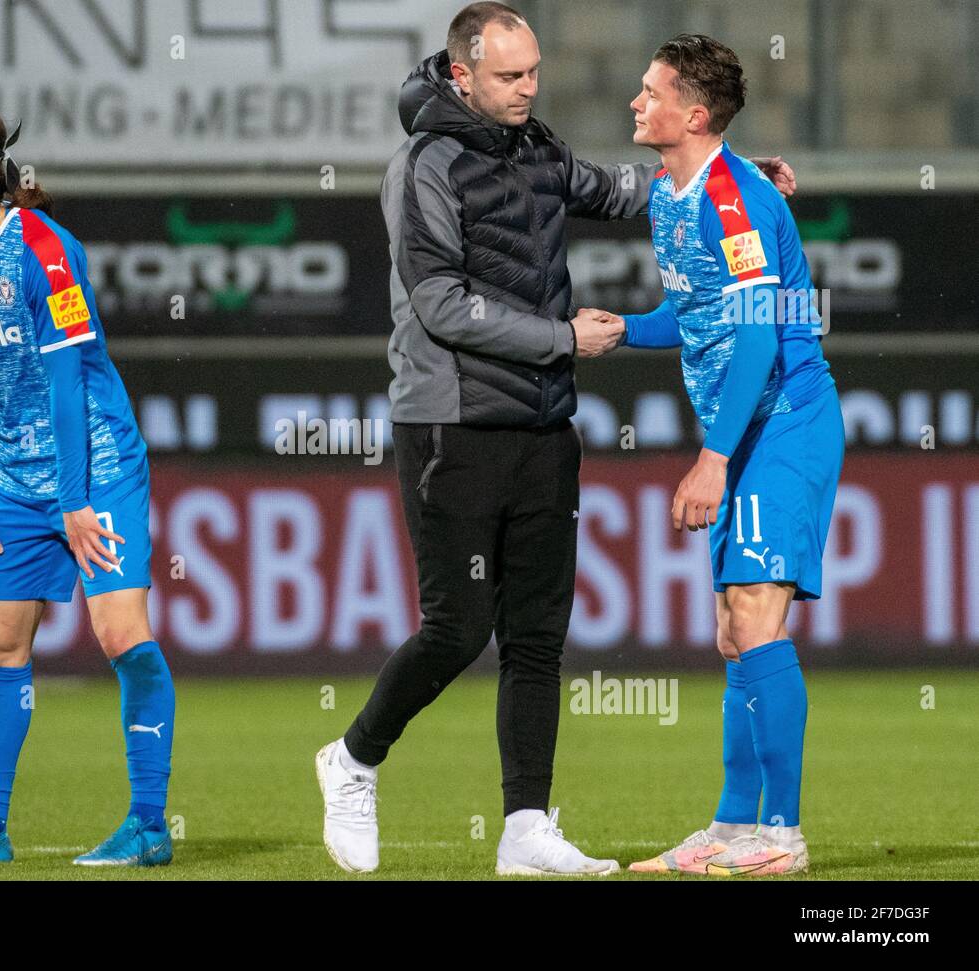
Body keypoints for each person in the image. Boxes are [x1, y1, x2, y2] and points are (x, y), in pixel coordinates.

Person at [315, 3, 798, 876]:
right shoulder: (423, 165)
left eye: (534, 72)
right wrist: (562, 341)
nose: (528, 89)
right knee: (457, 628)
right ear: (461, 74)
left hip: (543, 423)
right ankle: (354, 758)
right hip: (451, 421)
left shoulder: (535, 146)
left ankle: (525, 827)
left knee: (537, 639)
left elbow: (621, 190)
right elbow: (440, 305)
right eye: (510, 76)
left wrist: (732, 171)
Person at [578, 33, 841, 876]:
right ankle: (733, 827)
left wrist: (714, 457)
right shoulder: (671, 192)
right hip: (749, 429)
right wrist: (625, 328)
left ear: (692, 113)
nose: (635, 102)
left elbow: (761, 338)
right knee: (733, 630)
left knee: (757, 616)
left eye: (649, 90)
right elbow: (695, 315)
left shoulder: (736, 198)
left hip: (785, 423)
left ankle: (783, 835)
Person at [0, 98, 174, 868]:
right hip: (17, 480)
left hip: (99, 465)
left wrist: (77, 501)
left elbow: (63, 380)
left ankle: (150, 826)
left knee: (120, 634)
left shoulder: (46, 251)